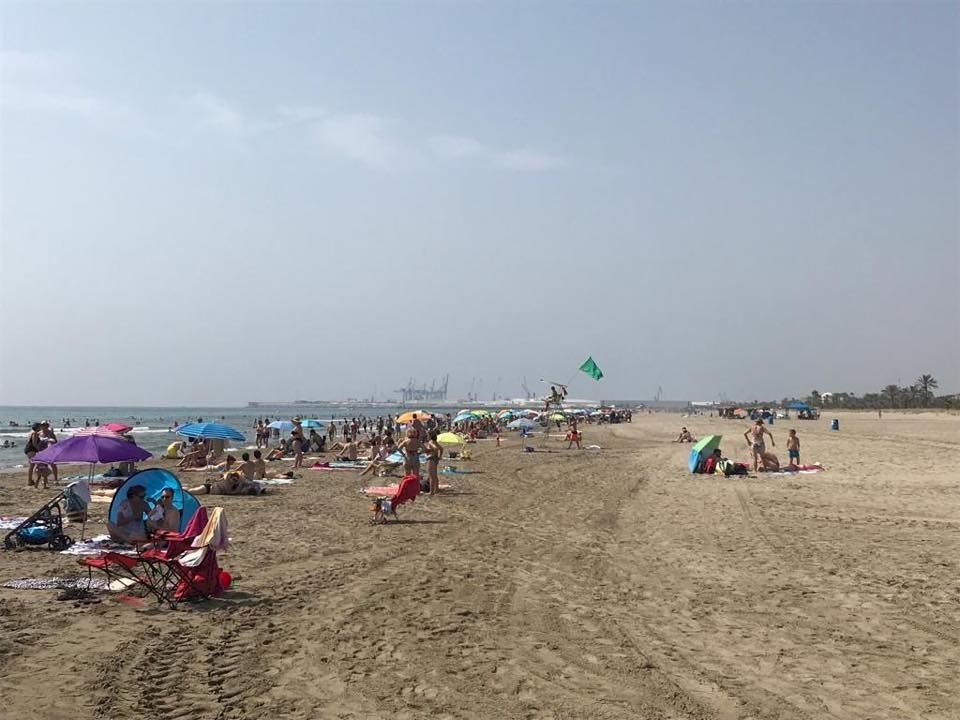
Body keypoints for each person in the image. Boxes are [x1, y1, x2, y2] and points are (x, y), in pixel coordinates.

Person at [423, 430, 443, 494]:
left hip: (431, 459)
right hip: (435, 460)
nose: (427, 436)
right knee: (435, 476)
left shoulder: (430, 442)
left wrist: (430, 451)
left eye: (427, 435)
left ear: (430, 436)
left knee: (431, 476)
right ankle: (436, 489)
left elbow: (436, 448)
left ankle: (431, 492)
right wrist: (439, 457)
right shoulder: (435, 442)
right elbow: (441, 449)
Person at [24, 423, 43, 487]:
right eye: (40, 427)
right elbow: (34, 443)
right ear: (37, 427)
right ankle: (30, 481)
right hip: (31, 449)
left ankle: (30, 480)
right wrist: (39, 450)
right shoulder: (34, 433)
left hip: (29, 449)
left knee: (32, 465)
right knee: (32, 465)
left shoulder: (31, 432)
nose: (41, 428)